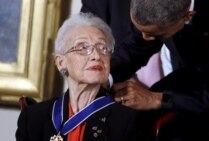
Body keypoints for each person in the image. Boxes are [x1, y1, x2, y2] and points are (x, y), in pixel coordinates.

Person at [88, 0, 209, 140]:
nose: (144, 37)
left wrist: (157, 99)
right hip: (195, 75)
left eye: (154, 35)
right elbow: (136, 46)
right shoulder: (153, 10)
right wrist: (103, 76)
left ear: (187, 17)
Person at [15, 12, 152, 141]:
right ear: (61, 62)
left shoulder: (129, 120)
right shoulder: (32, 118)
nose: (96, 56)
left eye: (102, 48)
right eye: (82, 48)